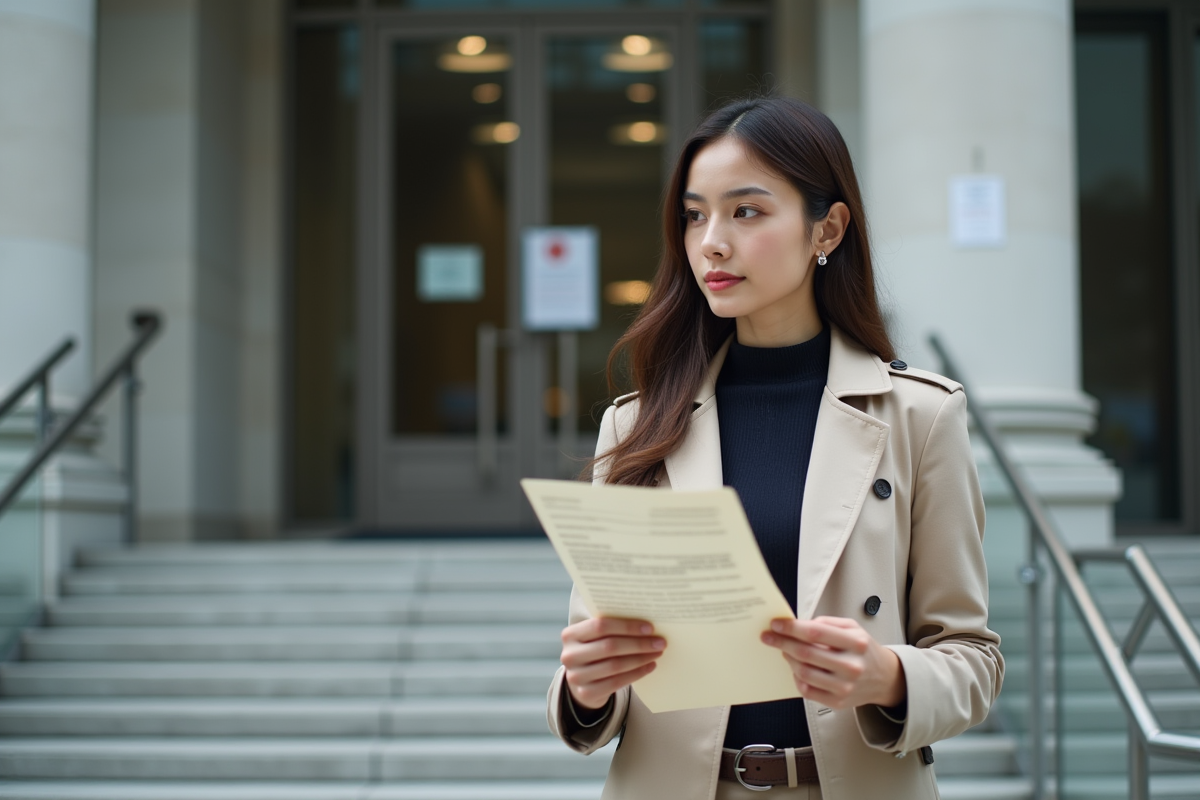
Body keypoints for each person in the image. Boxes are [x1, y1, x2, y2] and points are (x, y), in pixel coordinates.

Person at [545, 96, 1004, 800]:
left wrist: (887, 676)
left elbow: (971, 658)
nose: (711, 242)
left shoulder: (921, 416)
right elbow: (595, 663)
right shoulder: (637, 425)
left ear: (828, 227)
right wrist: (585, 685)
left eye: (746, 211)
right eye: (695, 215)